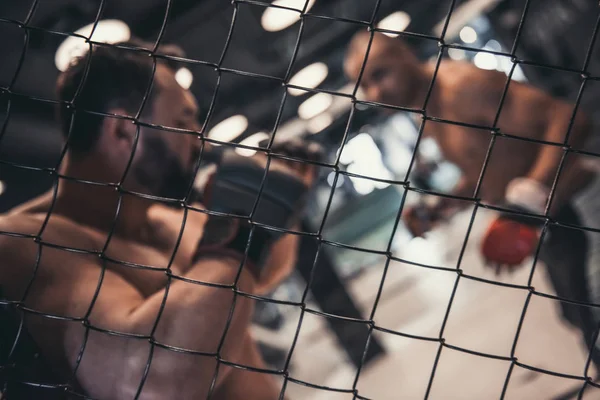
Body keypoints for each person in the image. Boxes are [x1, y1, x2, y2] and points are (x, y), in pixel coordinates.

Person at [0, 43, 318, 399]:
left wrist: (279, 204)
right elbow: (148, 380)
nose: (199, 140)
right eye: (182, 122)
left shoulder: (168, 220)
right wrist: (243, 226)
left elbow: (259, 273)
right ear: (123, 130)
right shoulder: (28, 241)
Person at [344, 31, 600, 363]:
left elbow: (567, 117)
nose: (376, 92)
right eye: (365, 85)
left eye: (380, 73)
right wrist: (443, 205)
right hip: (541, 216)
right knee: (576, 315)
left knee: (591, 308)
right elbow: (488, 168)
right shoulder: (426, 113)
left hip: (578, 198)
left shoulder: (462, 86)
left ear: (404, 56)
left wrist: (532, 186)